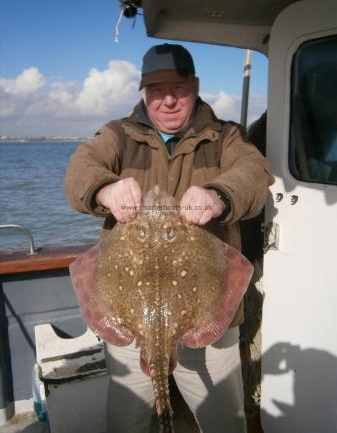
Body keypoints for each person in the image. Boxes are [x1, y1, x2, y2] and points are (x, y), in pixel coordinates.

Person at [64, 43, 274, 433]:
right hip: (131, 326)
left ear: (195, 86)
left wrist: (218, 196)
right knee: (126, 421)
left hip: (209, 310)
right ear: (143, 91)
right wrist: (104, 189)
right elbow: (79, 169)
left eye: (179, 88)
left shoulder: (225, 136)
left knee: (224, 420)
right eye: (157, 89)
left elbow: (255, 174)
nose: (169, 100)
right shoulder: (116, 136)